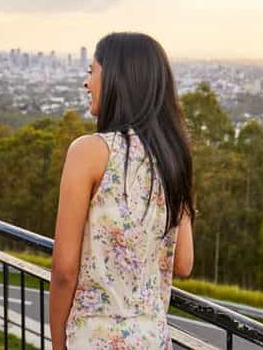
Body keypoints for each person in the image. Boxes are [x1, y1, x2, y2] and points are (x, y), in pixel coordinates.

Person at [50, 32, 195, 349]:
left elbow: (63, 269)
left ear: (117, 79)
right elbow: (183, 262)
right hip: (152, 339)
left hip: (94, 339)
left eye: (92, 71)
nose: (86, 83)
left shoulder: (89, 152)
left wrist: (58, 344)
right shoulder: (173, 157)